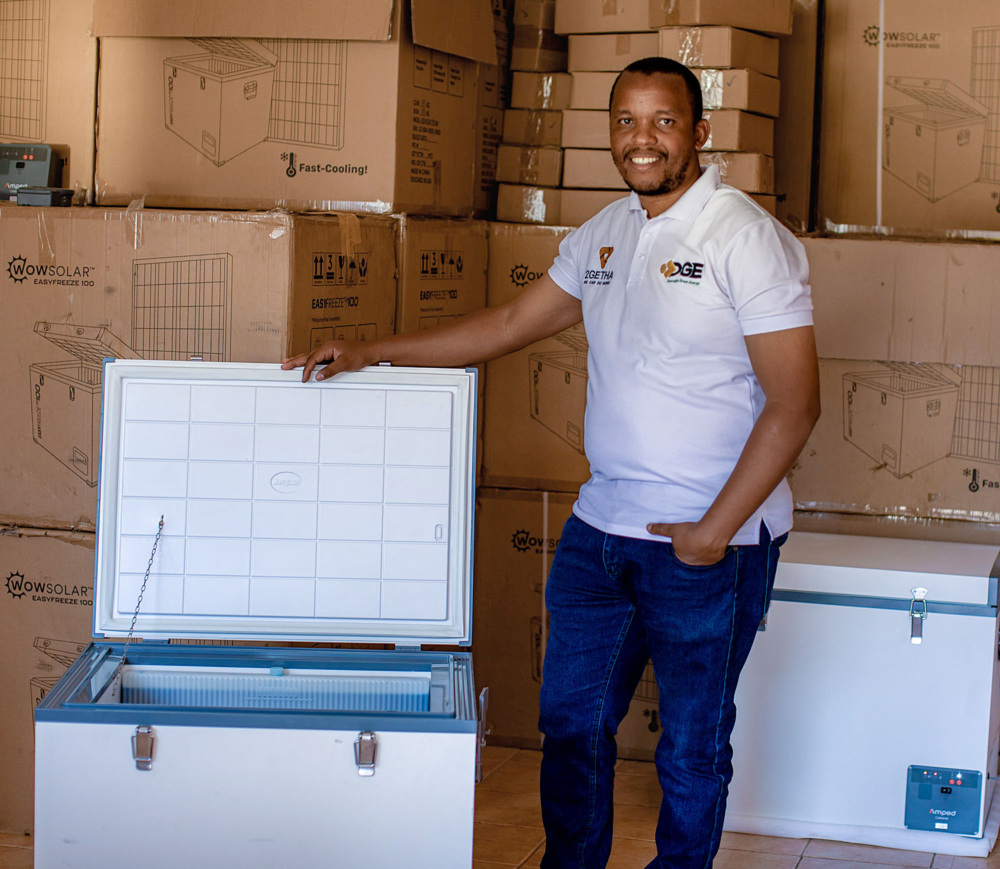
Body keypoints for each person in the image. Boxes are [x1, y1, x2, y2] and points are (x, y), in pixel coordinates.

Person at [282, 56, 820, 869]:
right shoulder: (604, 234)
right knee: (571, 727)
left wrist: (712, 532)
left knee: (690, 747)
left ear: (701, 132)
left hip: (709, 545)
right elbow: (503, 325)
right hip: (601, 533)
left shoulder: (747, 240)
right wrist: (367, 351)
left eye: (665, 121)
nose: (643, 140)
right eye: (627, 122)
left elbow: (795, 403)